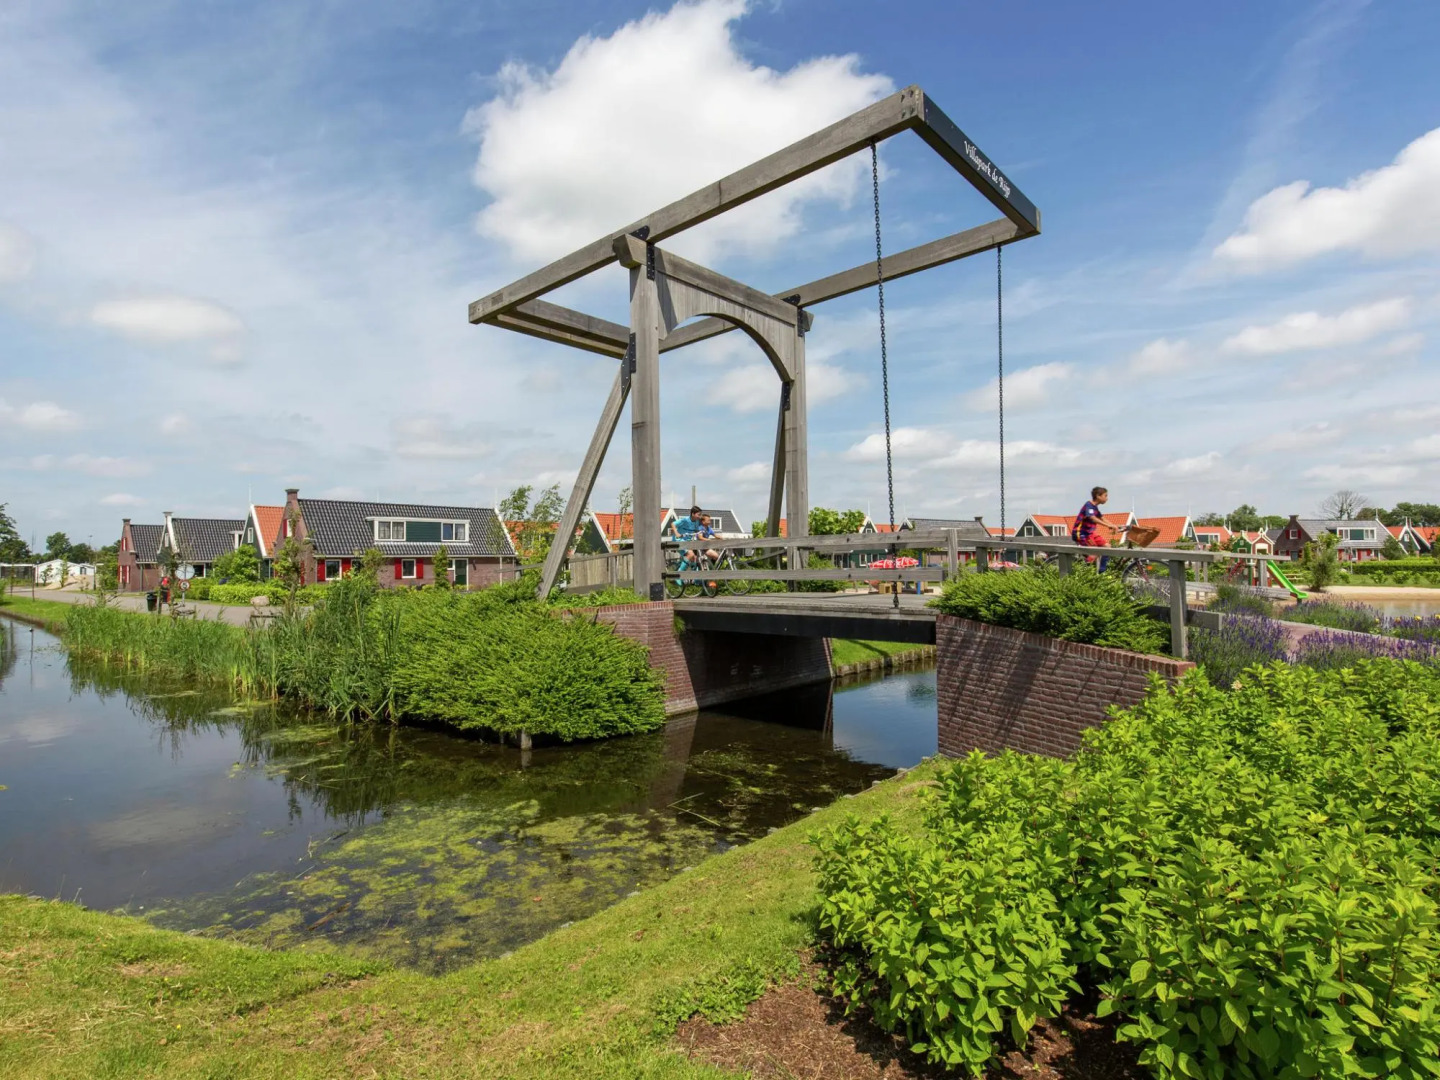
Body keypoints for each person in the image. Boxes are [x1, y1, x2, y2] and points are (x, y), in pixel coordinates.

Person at [1071, 486, 1126, 571]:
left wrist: (1114, 526)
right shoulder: (1089, 505)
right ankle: (1083, 572)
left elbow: (1102, 518)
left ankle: (1102, 571)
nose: (1107, 498)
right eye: (1105, 496)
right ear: (1098, 496)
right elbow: (1092, 518)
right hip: (1081, 533)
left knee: (1107, 547)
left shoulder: (1095, 507)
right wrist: (1108, 526)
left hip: (1090, 533)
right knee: (1094, 553)